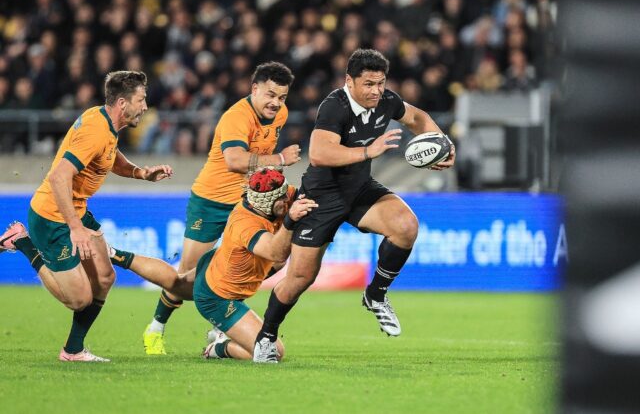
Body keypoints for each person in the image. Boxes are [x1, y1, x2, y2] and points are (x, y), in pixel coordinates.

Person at [252, 49, 456, 361]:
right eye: (369, 84)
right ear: (350, 81)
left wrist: (442, 143)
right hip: (320, 196)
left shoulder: (386, 100)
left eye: (381, 83)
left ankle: (376, 294)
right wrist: (367, 151)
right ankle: (265, 336)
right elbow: (320, 153)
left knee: (405, 226)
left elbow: (417, 118)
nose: (376, 91)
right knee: (300, 278)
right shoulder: (335, 105)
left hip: (359, 190)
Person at [0, 71, 173, 362]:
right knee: (78, 299)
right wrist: (75, 227)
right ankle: (22, 242)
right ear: (122, 102)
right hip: (52, 217)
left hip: (75, 210)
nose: (145, 107)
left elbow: (109, 156)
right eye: (141, 100)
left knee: (105, 277)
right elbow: (57, 178)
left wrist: (140, 173)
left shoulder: (104, 122)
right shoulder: (95, 130)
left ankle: (73, 351)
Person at [139, 61, 301, 355]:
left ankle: (222, 322)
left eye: (282, 97)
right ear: (254, 89)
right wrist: (279, 159)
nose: (276, 103)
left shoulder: (280, 115)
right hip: (211, 201)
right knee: (185, 275)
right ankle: (156, 328)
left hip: (249, 204)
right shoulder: (236, 117)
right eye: (270, 95)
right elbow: (235, 160)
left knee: (273, 260)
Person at [108, 168, 317, 362]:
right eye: (281, 199)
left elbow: (293, 199)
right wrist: (290, 220)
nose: (286, 199)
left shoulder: (271, 196)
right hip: (218, 298)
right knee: (275, 352)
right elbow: (275, 251)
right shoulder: (246, 223)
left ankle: (115, 254)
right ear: (264, 203)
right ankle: (219, 348)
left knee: (176, 281)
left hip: (216, 264)